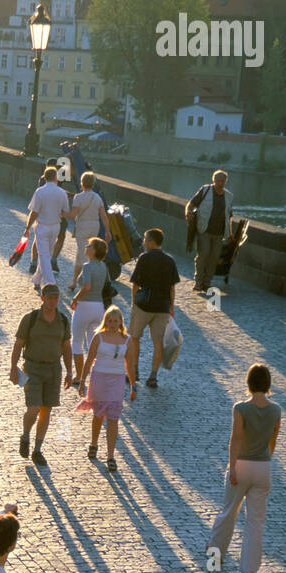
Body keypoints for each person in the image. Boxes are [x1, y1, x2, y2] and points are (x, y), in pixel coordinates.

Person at [206, 363, 281, 573]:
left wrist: (232, 466)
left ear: (248, 383)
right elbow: (272, 441)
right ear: (268, 385)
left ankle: (215, 556)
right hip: (263, 467)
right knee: (255, 521)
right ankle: (250, 571)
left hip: (242, 465)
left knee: (228, 512)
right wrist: (266, 459)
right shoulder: (276, 410)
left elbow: (236, 439)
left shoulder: (240, 408)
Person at [9, 283, 73, 466]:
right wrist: (13, 367)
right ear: (42, 298)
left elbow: (66, 347)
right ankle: (26, 435)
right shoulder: (30, 319)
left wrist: (70, 372)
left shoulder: (63, 320)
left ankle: (37, 449)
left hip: (54, 370)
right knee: (34, 407)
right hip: (33, 368)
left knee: (47, 410)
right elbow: (18, 344)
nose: (53, 301)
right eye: (49, 297)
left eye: (56, 297)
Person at [75, 305, 136, 472]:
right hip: (99, 378)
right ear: (105, 321)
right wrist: (82, 380)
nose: (112, 323)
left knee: (113, 417)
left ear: (120, 322)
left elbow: (129, 364)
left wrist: (133, 384)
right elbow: (89, 360)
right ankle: (94, 443)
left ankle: (110, 455)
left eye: (115, 321)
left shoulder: (127, 339)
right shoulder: (98, 337)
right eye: (109, 320)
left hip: (117, 380)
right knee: (98, 414)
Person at [127, 227, 180, 389]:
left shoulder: (144, 258)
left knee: (134, 338)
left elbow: (135, 284)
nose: (143, 243)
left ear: (151, 241)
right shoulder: (170, 260)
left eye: (145, 239)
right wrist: (171, 307)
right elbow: (172, 288)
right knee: (158, 342)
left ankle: (134, 372)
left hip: (143, 306)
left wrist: (134, 302)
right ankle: (153, 376)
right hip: (162, 307)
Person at [23, 165, 70, 295]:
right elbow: (65, 211)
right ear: (56, 178)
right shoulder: (62, 193)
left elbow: (34, 212)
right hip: (55, 227)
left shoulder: (40, 191)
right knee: (46, 255)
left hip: (42, 226)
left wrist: (27, 227)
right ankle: (37, 280)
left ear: (45, 177)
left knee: (44, 255)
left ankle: (50, 283)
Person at [186, 169, 233, 295]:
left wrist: (229, 234)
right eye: (218, 180)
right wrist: (188, 212)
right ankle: (198, 282)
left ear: (225, 181)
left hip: (219, 233)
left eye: (223, 181)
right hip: (204, 229)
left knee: (213, 258)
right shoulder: (205, 190)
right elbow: (191, 203)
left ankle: (207, 283)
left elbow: (229, 216)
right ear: (214, 180)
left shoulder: (228, 196)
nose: (220, 183)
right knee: (203, 254)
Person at [70, 236, 109, 385]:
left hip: (85, 306)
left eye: (89, 246)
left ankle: (80, 376)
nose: (86, 247)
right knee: (95, 344)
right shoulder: (103, 266)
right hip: (99, 308)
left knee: (77, 341)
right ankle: (97, 375)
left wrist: (75, 299)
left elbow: (86, 287)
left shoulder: (87, 266)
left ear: (94, 251)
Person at [68, 171, 109, 290]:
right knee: (91, 253)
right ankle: (85, 281)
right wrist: (107, 231)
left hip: (82, 226)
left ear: (82, 183)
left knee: (81, 253)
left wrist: (62, 214)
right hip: (94, 226)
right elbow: (104, 216)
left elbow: (72, 215)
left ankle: (76, 282)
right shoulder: (97, 197)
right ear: (93, 183)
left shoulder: (78, 197)